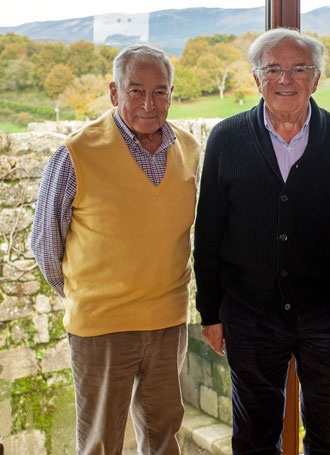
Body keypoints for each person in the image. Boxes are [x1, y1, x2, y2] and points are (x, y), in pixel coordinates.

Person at [193, 28, 330, 454]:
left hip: (329, 315)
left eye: (299, 69)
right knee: (254, 436)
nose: (286, 79)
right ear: (256, 78)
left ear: (316, 80)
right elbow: (207, 232)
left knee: (327, 436)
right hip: (249, 313)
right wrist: (210, 311)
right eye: (274, 69)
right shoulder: (226, 139)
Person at [30, 44, 200, 454]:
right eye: (136, 90)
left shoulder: (190, 150)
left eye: (161, 91)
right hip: (102, 327)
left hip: (168, 321)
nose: (149, 103)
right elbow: (45, 244)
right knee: (101, 443)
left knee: (164, 438)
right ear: (113, 92)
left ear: (172, 95)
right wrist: (90, 296)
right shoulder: (75, 153)